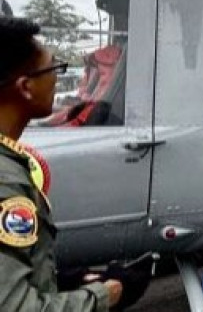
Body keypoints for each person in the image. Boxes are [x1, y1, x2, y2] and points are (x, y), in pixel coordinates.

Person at [0, 16, 123, 310]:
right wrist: (104, 295)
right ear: (26, 87)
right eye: (54, 68)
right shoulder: (6, 182)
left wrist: (63, 280)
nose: (58, 78)